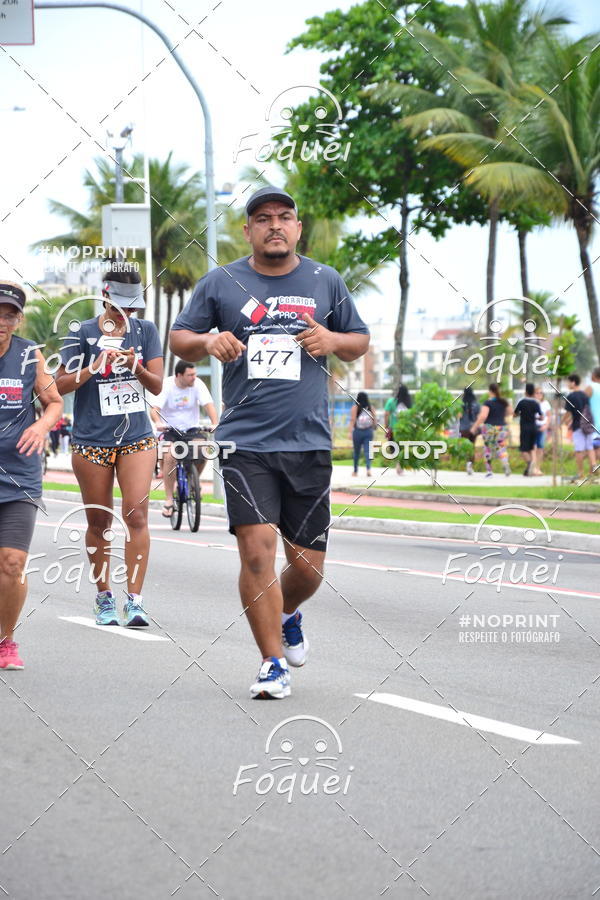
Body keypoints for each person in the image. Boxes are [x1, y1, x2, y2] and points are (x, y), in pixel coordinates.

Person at [170, 184, 369, 699]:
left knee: (306, 569)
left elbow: (358, 339)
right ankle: (272, 664)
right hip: (244, 441)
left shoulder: (326, 280)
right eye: (262, 218)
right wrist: (208, 340)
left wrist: (332, 341)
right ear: (248, 230)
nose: (274, 224)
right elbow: (180, 337)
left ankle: (288, 612)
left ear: (298, 227)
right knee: (257, 554)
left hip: (308, 442)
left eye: (284, 216)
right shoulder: (223, 281)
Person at [56, 263, 163, 628]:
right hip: (91, 439)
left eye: (133, 305)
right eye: (121, 304)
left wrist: (136, 366)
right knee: (99, 520)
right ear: (104, 295)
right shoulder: (81, 332)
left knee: (136, 514)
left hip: (137, 437)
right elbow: (59, 384)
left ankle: (135, 600)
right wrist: (93, 366)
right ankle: (104, 597)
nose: (128, 313)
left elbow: (158, 385)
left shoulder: (146, 331)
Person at [0, 282, 63, 669]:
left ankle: (6, 641)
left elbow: (54, 402)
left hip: (19, 476)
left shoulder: (28, 355)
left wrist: (41, 428)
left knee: (10, 562)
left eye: (10, 314)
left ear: (18, 319)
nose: (2, 321)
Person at [150, 359, 218, 516]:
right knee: (169, 455)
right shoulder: (166, 385)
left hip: (191, 429)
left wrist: (215, 423)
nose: (194, 377)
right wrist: (158, 422)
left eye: (195, 374)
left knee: (203, 449)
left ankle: (194, 480)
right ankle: (168, 500)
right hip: (169, 430)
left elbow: (209, 405)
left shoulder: (197, 384)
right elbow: (154, 410)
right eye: (190, 375)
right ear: (179, 375)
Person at [470, 383, 513, 477]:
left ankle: (489, 471)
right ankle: (505, 463)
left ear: (490, 391)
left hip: (489, 427)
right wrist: (501, 415)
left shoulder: (488, 403)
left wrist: (475, 426)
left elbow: (483, 416)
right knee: (501, 447)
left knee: (488, 448)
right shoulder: (504, 402)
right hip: (502, 427)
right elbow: (511, 412)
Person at [564, 373, 595, 479]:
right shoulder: (585, 395)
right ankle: (593, 472)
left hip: (578, 426)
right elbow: (585, 410)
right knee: (590, 448)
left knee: (579, 450)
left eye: (568, 382)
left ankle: (580, 473)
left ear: (573, 382)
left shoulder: (570, 396)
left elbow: (568, 413)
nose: (567, 384)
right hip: (588, 424)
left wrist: (563, 422)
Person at [513, 383, 542, 476]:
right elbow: (541, 416)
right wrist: (535, 417)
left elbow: (514, 414)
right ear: (533, 392)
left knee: (523, 450)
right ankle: (528, 470)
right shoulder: (535, 403)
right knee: (530, 449)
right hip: (534, 428)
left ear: (525, 392)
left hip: (525, 428)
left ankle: (530, 463)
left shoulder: (522, 402)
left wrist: (521, 414)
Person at [384, 384, 411, 474]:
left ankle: (398, 463)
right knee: (403, 448)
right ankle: (400, 464)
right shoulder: (409, 403)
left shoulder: (391, 401)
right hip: (406, 430)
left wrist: (386, 425)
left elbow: (386, 414)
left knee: (394, 448)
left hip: (394, 429)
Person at [349, 391, 377, 477]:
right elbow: (374, 419)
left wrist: (350, 432)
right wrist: (374, 427)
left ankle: (355, 471)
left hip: (357, 432)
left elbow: (353, 420)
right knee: (368, 451)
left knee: (356, 452)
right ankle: (368, 469)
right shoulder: (371, 408)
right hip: (368, 431)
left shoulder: (355, 408)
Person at [458, 385, 480, 475]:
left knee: (466, 447)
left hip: (464, 429)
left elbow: (458, 416)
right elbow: (479, 417)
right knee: (472, 446)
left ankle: (467, 463)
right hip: (473, 428)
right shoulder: (476, 404)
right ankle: (470, 465)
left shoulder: (461, 404)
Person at [532, 386, 551, 475]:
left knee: (540, 448)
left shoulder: (546, 403)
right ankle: (533, 468)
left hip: (542, 426)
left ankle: (538, 468)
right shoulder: (532, 403)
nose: (539, 395)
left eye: (541, 393)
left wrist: (546, 425)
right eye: (537, 393)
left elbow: (549, 416)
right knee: (533, 448)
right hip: (533, 426)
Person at [584, 366, 600, 464]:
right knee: (597, 447)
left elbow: (581, 403)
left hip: (592, 421)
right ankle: (593, 472)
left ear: (594, 375)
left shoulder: (590, 387)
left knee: (591, 447)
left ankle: (592, 471)